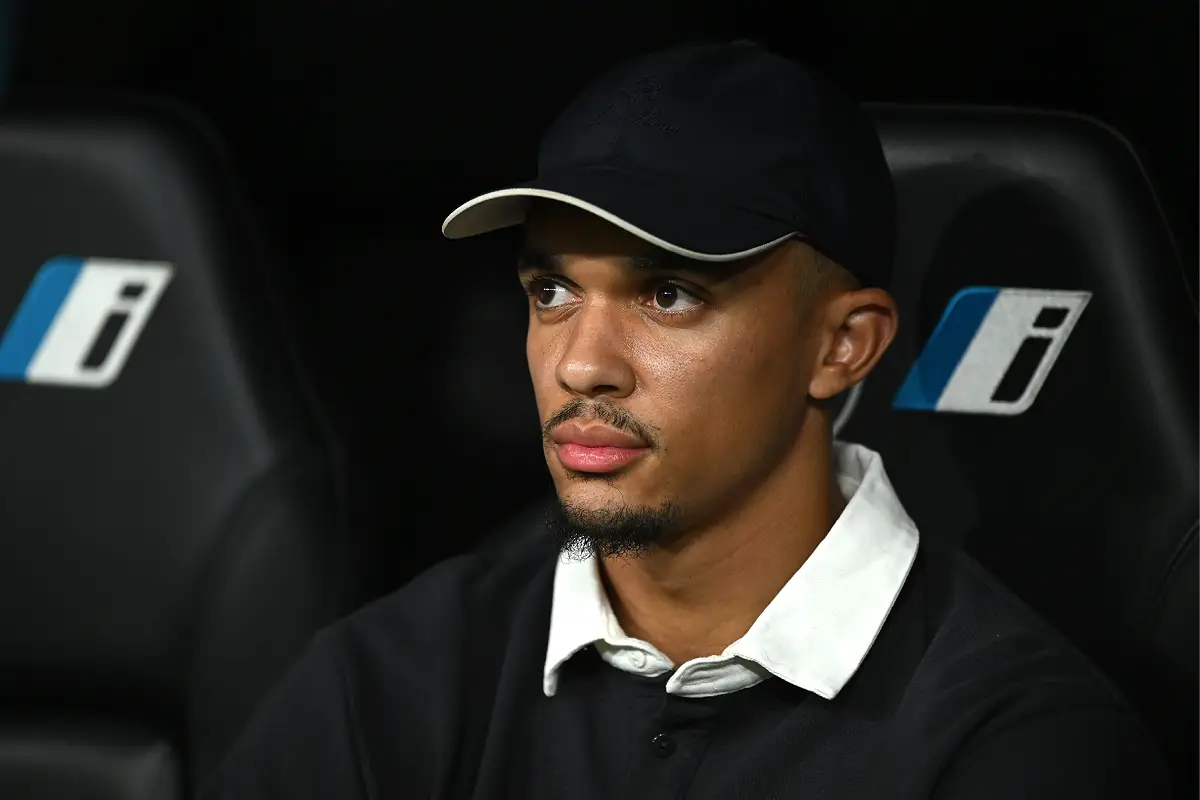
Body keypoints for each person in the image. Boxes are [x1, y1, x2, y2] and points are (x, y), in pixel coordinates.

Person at [201, 40, 1172, 799]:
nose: (581, 360)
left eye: (668, 294)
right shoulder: (389, 676)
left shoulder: (1020, 745)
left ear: (844, 344)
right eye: (551, 289)